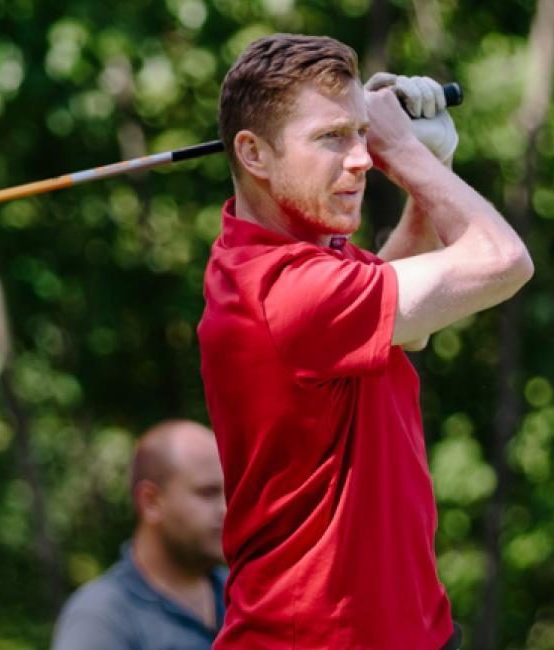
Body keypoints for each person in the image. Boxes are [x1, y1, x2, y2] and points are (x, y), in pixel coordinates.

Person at [197, 34, 533, 650]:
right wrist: (409, 154)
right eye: (332, 138)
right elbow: (505, 261)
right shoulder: (282, 291)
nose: (362, 159)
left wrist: (429, 184)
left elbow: (410, 325)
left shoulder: (294, 260)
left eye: (362, 133)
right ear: (253, 153)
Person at [51, 420, 227, 650]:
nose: (226, 509)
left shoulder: (244, 594)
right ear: (151, 502)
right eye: (207, 493)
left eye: (228, 492)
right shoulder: (102, 618)